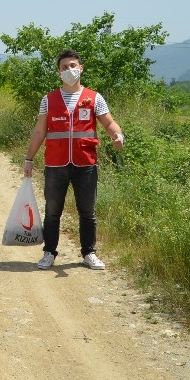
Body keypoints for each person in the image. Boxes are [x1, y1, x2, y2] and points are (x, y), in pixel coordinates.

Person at [24, 49, 124, 271]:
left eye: (72, 66)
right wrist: (29, 159)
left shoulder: (94, 98)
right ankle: (49, 253)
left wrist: (118, 135)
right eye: (64, 67)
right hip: (55, 164)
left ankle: (89, 253)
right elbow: (40, 131)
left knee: (87, 212)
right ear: (58, 72)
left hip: (85, 164)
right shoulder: (48, 100)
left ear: (81, 68)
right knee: (52, 212)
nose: (69, 70)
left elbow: (109, 123)